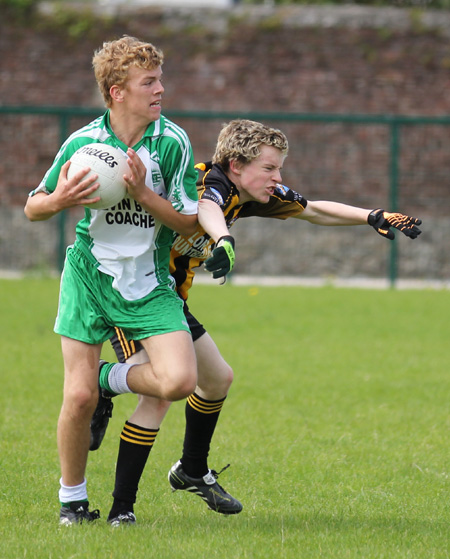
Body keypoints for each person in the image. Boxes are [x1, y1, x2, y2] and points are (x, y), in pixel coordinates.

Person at [90, 118, 422, 526]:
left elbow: (313, 209)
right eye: (269, 168)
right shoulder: (204, 184)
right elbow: (208, 203)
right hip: (130, 295)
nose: (277, 177)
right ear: (234, 164)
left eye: (278, 167)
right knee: (160, 394)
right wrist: (223, 239)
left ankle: (192, 470)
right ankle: (120, 503)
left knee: (217, 380)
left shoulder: (248, 192)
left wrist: (372, 215)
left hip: (169, 301)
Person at [23, 36, 199, 526]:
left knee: (180, 381)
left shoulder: (172, 142)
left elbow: (188, 223)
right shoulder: (82, 143)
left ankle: (108, 379)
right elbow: (33, 206)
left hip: (147, 281)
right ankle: (72, 501)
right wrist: (58, 200)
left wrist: (143, 192)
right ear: (118, 91)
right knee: (76, 397)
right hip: (88, 275)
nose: (161, 89)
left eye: (159, 79)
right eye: (150, 82)